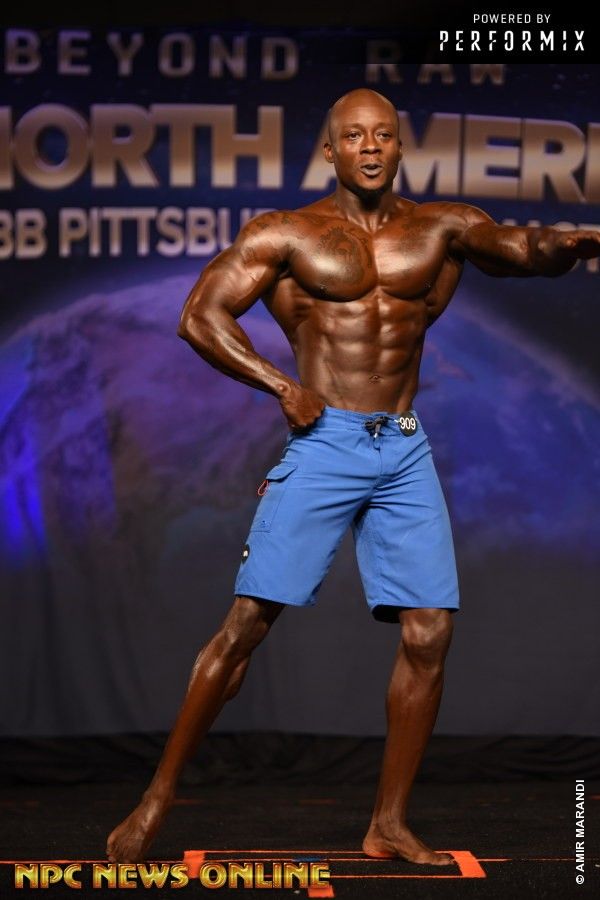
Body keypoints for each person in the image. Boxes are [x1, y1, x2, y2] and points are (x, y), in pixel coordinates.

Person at [106, 88, 600, 866]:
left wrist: (566, 246)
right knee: (245, 626)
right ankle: (156, 798)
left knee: (430, 630)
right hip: (325, 439)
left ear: (400, 147)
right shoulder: (285, 233)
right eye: (354, 136)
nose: (370, 146)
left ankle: (389, 824)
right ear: (330, 151)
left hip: (402, 446)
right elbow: (199, 315)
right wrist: (281, 386)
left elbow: (518, 246)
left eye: (383, 135)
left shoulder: (442, 226)